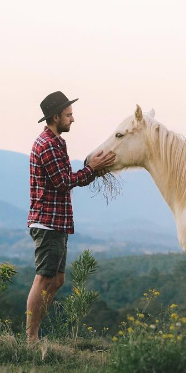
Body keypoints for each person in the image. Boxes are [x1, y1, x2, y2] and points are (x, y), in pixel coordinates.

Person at [26, 91, 115, 342]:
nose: (72, 119)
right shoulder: (48, 146)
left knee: (57, 280)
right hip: (48, 222)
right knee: (44, 278)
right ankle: (31, 337)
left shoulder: (56, 143)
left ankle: (34, 333)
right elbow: (63, 182)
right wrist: (92, 170)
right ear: (56, 117)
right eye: (69, 115)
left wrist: (92, 170)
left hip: (57, 222)